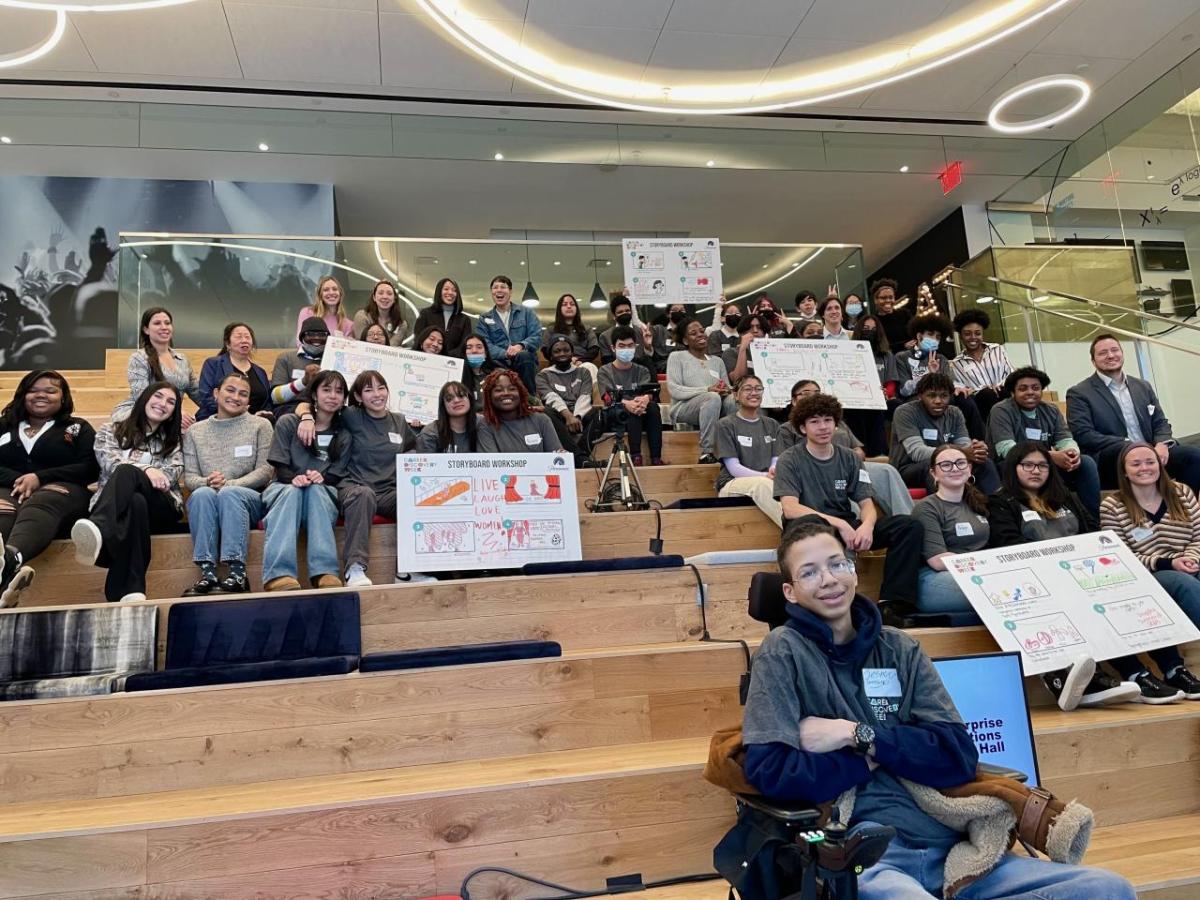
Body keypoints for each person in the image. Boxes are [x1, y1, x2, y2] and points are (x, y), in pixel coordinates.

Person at [741, 520, 1138, 900]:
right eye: (809, 573)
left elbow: (957, 755)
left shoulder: (900, 648)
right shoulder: (782, 652)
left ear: (854, 571)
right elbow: (772, 771)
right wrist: (879, 760)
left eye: (836, 564)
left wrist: (857, 736)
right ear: (790, 592)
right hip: (868, 856)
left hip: (956, 849)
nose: (828, 579)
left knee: (1111, 890)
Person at [988, 442, 1140, 710]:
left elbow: (1091, 531)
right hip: (1033, 577)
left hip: (1077, 571)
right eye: (1028, 465)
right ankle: (1075, 676)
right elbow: (1006, 543)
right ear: (1014, 468)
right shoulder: (1001, 501)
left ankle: (1137, 671)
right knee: (1068, 602)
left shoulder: (1066, 496)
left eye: (1043, 465)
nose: (1036, 471)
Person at [773, 392, 923, 617]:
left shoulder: (850, 458)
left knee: (908, 526)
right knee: (815, 525)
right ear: (803, 428)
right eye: (814, 422)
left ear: (836, 423)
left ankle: (894, 602)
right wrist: (840, 524)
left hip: (844, 522)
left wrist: (867, 526)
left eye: (828, 420)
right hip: (808, 528)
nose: (823, 427)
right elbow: (790, 507)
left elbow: (866, 502)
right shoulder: (790, 459)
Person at [1099, 442, 1200, 702]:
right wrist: (1168, 563)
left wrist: (1189, 558)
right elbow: (1118, 555)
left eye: (1150, 461)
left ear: (1160, 464)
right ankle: (1173, 669)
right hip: (1149, 574)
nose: (1145, 468)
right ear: (1124, 471)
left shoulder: (1182, 492)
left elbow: (1198, 536)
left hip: (1191, 563)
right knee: (1183, 584)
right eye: (1136, 464)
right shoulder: (1113, 506)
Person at [70, 382, 183, 603]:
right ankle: (131, 591)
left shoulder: (173, 440)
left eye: (171, 402)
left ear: (173, 413)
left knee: (127, 473)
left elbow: (169, 476)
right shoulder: (110, 430)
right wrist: (148, 469)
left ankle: (101, 530)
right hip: (125, 505)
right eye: (158, 396)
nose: (163, 404)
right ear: (144, 400)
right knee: (135, 501)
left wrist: (143, 472)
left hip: (163, 505)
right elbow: (109, 463)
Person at [0, 370, 98, 607]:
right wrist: (21, 479)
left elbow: (90, 467)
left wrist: (40, 477)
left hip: (63, 493)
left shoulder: (77, 428)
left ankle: (13, 557)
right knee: (2, 510)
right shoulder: (4, 425)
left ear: (63, 397)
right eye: (33, 390)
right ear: (23, 395)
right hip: (9, 490)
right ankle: (5, 590)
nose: (41, 395)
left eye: (50, 390)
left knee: (41, 501)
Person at [1066, 333, 1200, 491]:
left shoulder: (1143, 386)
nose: (1110, 355)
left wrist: (1162, 444)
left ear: (1122, 354)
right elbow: (1084, 434)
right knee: (1127, 452)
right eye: (1103, 353)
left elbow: (1160, 422)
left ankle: (1186, 508)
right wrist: (1131, 446)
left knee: (1193, 456)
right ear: (1093, 361)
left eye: (1115, 350)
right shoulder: (1079, 393)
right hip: (1113, 458)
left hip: (1152, 452)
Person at [181, 372, 274, 596]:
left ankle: (237, 574)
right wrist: (207, 482)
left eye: (243, 394)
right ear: (216, 394)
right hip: (211, 496)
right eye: (230, 390)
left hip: (250, 499)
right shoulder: (195, 431)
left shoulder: (260, 425)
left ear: (249, 401)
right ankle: (208, 574)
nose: (236, 397)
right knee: (202, 494)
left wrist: (230, 484)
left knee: (229, 494)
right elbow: (190, 478)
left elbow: (266, 470)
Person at [324, 370, 419, 587]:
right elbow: (315, 403)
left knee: (414, 496)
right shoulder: (351, 415)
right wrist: (306, 417)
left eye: (381, 387)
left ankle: (408, 571)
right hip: (354, 487)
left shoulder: (399, 421)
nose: (377, 394)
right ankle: (354, 569)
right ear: (358, 397)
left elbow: (413, 448)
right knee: (363, 494)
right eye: (368, 390)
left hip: (387, 492)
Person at [259, 370, 350, 592]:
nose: (332, 396)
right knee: (292, 491)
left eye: (339, 391)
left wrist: (322, 477)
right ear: (314, 395)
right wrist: (295, 478)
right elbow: (279, 466)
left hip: (321, 492)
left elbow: (337, 474)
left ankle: (325, 572)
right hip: (284, 487)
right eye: (326, 390)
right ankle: (278, 575)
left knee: (316, 491)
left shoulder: (345, 434)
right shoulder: (289, 422)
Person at [780, 380, 913, 516]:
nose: (823, 426)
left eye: (817, 392)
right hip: (816, 471)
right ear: (794, 401)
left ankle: (907, 516)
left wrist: (844, 458)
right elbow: (788, 461)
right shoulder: (787, 429)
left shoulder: (838, 423)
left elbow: (859, 450)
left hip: (849, 464)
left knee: (887, 470)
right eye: (806, 393)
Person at [987, 366, 1100, 514]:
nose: (1030, 392)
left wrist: (1072, 454)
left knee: (1086, 463)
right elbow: (1006, 449)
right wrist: (1050, 457)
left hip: (1046, 466)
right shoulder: (1001, 410)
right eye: (1023, 388)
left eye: (1035, 388)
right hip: (1012, 467)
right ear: (1012, 392)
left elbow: (1065, 439)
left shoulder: (1051, 410)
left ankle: (1093, 519)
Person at [911, 444, 992, 615]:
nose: (955, 468)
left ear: (969, 469)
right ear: (934, 473)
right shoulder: (927, 507)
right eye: (946, 465)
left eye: (960, 463)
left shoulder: (977, 502)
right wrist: (985, 563)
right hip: (936, 578)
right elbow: (938, 561)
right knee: (996, 590)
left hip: (977, 572)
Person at [891, 373, 999, 494]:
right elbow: (917, 452)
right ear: (920, 396)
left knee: (984, 462)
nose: (938, 401)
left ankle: (997, 507)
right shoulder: (905, 412)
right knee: (937, 466)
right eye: (931, 396)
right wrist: (962, 453)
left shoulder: (955, 413)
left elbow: (964, 445)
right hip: (908, 468)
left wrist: (975, 450)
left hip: (950, 462)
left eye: (944, 396)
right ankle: (946, 510)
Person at [894, 313, 985, 440]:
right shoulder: (902, 357)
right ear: (919, 336)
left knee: (965, 399)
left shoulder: (940, 358)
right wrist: (928, 374)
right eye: (930, 335)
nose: (935, 339)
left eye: (938, 337)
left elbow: (952, 381)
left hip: (941, 396)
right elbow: (904, 390)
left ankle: (978, 442)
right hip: (916, 398)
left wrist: (959, 388)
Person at [114, 306, 203, 427]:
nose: (164, 327)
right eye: (157, 323)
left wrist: (220, 408)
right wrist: (174, 414)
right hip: (142, 414)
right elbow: (142, 395)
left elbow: (197, 392)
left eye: (167, 323)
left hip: (171, 413)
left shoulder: (182, 359)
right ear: (146, 330)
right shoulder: (139, 358)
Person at [666, 318, 736, 464]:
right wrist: (707, 389)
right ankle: (707, 451)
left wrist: (725, 391)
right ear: (685, 340)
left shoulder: (717, 361)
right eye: (693, 333)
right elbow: (675, 389)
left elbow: (727, 386)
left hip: (714, 405)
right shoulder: (677, 357)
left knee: (732, 400)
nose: (700, 334)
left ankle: (734, 448)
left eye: (702, 331)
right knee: (711, 397)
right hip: (683, 407)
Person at [714, 375, 782, 526]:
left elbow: (776, 459)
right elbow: (734, 468)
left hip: (768, 481)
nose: (754, 393)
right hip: (733, 483)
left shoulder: (772, 424)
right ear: (736, 395)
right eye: (748, 389)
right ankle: (798, 532)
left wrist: (773, 471)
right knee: (761, 485)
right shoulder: (725, 425)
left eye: (758, 389)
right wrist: (765, 476)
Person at [595, 325, 665, 466]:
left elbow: (649, 392)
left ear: (635, 346)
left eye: (630, 345)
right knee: (631, 408)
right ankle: (636, 456)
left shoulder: (642, 370)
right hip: (616, 414)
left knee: (652, 407)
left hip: (642, 411)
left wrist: (646, 399)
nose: (626, 349)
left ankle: (656, 458)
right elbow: (607, 397)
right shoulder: (604, 371)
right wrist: (628, 403)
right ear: (613, 348)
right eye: (622, 346)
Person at [475, 275, 542, 392]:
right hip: (498, 363)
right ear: (491, 293)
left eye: (503, 287)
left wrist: (520, 346)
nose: (499, 290)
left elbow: (536, 335)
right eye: (495, 287)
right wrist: (505, 353)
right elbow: (484, 344)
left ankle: (530, 398)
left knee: (524, 355)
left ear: (510, 291)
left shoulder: (526, 313)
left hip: (524, 362)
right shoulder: (484, 319)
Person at [196, 322, 273, 421]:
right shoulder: (213, 364)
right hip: (219, 420)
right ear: (228, 344)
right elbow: (206, 397)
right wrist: (237, 412)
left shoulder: (260, 372)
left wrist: (264, 413)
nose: (244, 340)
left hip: (254, 423)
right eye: (239, 337)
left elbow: (267, 402)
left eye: (247, 337)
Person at [844, 314, 897, 457]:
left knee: (879, 409)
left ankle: (877, 452)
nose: (870, 332)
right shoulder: (848, 353)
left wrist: (886, 394)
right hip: (856, 398)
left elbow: (891, 382)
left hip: (880, 399)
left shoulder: (887, 355)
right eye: (866, 328)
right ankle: (860, 450)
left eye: (873, 329)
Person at [950, 309, 1012, 424]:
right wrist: (985, 388)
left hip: (1003, 395)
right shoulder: (957, 363)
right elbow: (961, 387)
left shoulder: (997, 349)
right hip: (981, 403)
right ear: (961, 336)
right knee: (987, 394)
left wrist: (998, 386)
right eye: (967, 334)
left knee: (1005, 391)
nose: (973, 337)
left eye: (977, 333)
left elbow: (1010, 373)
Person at [478, 369, 563, 454]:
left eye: (512, 389)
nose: (506, 393)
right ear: (489, 396)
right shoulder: (485, 425)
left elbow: (556, 458)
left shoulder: (541, 420)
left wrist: (563, 456)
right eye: (498, 390)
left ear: (521, 393)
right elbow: (492, 463)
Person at [536, 335, 593, 459]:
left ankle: (581, 453)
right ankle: (579, 458)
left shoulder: (583, 372)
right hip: (559, 415)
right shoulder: (543, 375)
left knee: (601, 414)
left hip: (580, 414)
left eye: (566, 350)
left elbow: (585, 396)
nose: (562, 353)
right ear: (551, 355)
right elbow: (551, 398)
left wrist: (577, 417)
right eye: (557, 351)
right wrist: (568, 416)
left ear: (572, 353)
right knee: (545, 412)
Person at [271, 316, 328, 418]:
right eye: (310, 334)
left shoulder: (332, 359)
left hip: (326, 410)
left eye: (322, 334)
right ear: (302, 337)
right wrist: (303, 382)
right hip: (290, 410)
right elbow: (275, 397)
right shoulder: (286, 358)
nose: (317, 338)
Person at [416, 381, 482, 453]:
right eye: (449, 398)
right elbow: (426, 463)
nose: (456, 400)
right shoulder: (430, 433)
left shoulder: (483, 424)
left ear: (469, 398)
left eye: (461, 395)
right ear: (443, 405)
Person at [414, 277, 472, 358]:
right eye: (446, 289)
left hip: (453, 363)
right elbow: (418, 339)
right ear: (439, 291)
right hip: (426, 360)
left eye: (454, 290)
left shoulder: (464, 320)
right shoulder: (425, 314)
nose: (450, 292)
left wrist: (446, 357)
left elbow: (464, 345)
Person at [541, 293, 599, 373]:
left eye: (572, 304)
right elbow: (545, 350)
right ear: (559, 309)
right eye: (564, 304)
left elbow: (594, 349)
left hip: (582, 364)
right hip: (558, 364)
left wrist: (580, 360)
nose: (569, 306)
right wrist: (564, 360)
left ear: (576, 308)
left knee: (590, 367)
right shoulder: (551, 329)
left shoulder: (586, 328)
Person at [598, 293, 653, 368]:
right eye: (620, 312)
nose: (624, 313)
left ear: (631, 312)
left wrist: (648, 347)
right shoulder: (605, 336)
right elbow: (607, 363)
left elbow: (649, 360)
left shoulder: (641, 332)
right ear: (614, 316)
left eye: (627, 311)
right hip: (617, 374)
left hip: (641, 373)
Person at [352, 279, 408, 347]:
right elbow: (363, 345)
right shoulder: (362, 316)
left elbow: (390, 349)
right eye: (380, 293)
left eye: (389, 294)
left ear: (394, 299)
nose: (385, 297)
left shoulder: (401, 324)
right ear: (374, 297)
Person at [296, 274, 354, 339]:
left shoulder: (349, 325)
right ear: (320, 294)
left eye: (335, 289)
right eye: (326, 290)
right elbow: (300, 342)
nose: (331, 292)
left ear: (340, 293)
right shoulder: (307, 313)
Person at [722, 312, 766, 385]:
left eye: (759, 327)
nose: (755, 331)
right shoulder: (730, 352)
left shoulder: (771, 353)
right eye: (750, 327)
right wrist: (743, 349)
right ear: (742, 333)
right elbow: (738, 380)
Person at [870, 277, 912, 353]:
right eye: (883, 298)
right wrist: (903, 346)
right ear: (875, 300)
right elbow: (877, 346)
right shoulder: (873, 321)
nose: (888, 300)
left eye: (891, 297)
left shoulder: (905, 314)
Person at [461, 334, 498, 408]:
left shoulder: (497, 375)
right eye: (469, 347)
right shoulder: (458, 377)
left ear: (486, 354)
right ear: (463, 354)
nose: (474, 351)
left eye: (479, 347)